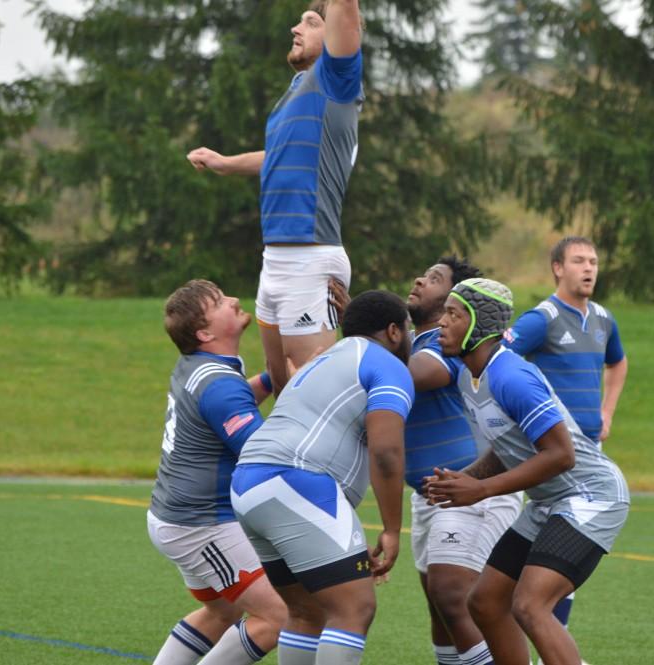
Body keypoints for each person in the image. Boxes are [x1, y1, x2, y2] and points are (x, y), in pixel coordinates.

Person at [426, 278, 629, 665]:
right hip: (550, 502)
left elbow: (561, 455)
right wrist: (464, 479)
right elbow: (510, 448)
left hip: (591, 495)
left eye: (453, 314)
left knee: (531, 605)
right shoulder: (467, 376)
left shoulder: (512, 376)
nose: (442, 323)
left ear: (479, 324)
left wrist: (482, 490)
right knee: (485, 602)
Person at [187, 0, 364, 396]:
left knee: (314, 392)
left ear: (336, 34)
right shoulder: (298, 91)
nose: (295, 28)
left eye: (311, 22)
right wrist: (225, 163)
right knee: (282, 383)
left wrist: (337, 10)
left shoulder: (337, 77)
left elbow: (345, 9)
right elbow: (280, 156)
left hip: (310, 256)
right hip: (277, 259)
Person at [231, 290, 414, 665]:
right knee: (353, 610)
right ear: (394, 331)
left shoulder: (326, 358)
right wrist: (392, 528)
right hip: (296, 480)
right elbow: (386, 451)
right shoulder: (387, 364)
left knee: (307, 614)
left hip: (249, 482)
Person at [147, 280, 286, 665]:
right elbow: (260, 455)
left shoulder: (202, 367)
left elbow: (231, 402)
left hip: (177, 517)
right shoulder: (219, 384)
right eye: (221, 302)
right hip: (200, 525)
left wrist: (276, 377)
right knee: (279, 616)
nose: (235, 300)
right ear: (205, 332)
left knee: (223, 611)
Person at [502, 236, 628, 636]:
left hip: (592, 451)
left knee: (564, 555)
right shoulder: (542, 318)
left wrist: (606, 411)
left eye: (593, 260)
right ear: (558, 268)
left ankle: (548, 647)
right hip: (554, 453)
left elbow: (619, 363)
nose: (589, 268)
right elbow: (499, 357)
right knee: (546, 554)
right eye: (578, 260)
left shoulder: (604, 319)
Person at [405, 258, 522, 665]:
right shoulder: (417, 340)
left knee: (453, 596)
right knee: (441, 612)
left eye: (435, 278)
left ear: (460, 305)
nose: (420, 279)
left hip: (471, 489)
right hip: (431, 492)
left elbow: (417, 376)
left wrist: (361, 357)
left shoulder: (449, 344)